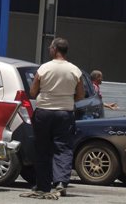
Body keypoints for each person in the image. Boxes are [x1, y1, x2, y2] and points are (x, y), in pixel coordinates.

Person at [22, 38, 84, 200]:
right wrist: (67, 99)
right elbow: (81, 94)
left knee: (42, 149)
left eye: (50, 47)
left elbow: (33, 92)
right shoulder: (75, 70)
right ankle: (61, 183)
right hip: (65, 113)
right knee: (63, 148)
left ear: (55, 49)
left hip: (44, 112)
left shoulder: (44, 68)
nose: (49, 49)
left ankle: (43, 185)